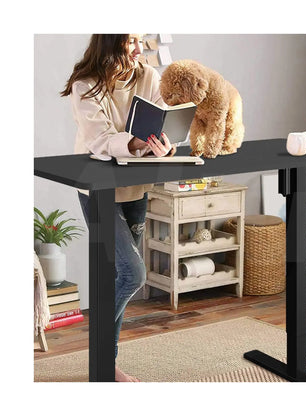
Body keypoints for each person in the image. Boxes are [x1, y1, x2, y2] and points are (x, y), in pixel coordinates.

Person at [61, 34, 175, 382]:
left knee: (118, 276)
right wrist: (137, 141)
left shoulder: (148, 77)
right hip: (97, 189)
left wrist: (165, 144)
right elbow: (99, 139)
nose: (140, 49)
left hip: (136, 185)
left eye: (140, 40)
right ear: (110, 43)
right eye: (131, 42)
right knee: (132, 274)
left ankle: (105, 365)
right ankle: (101, 355)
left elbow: (164, 121)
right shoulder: (85, 86)